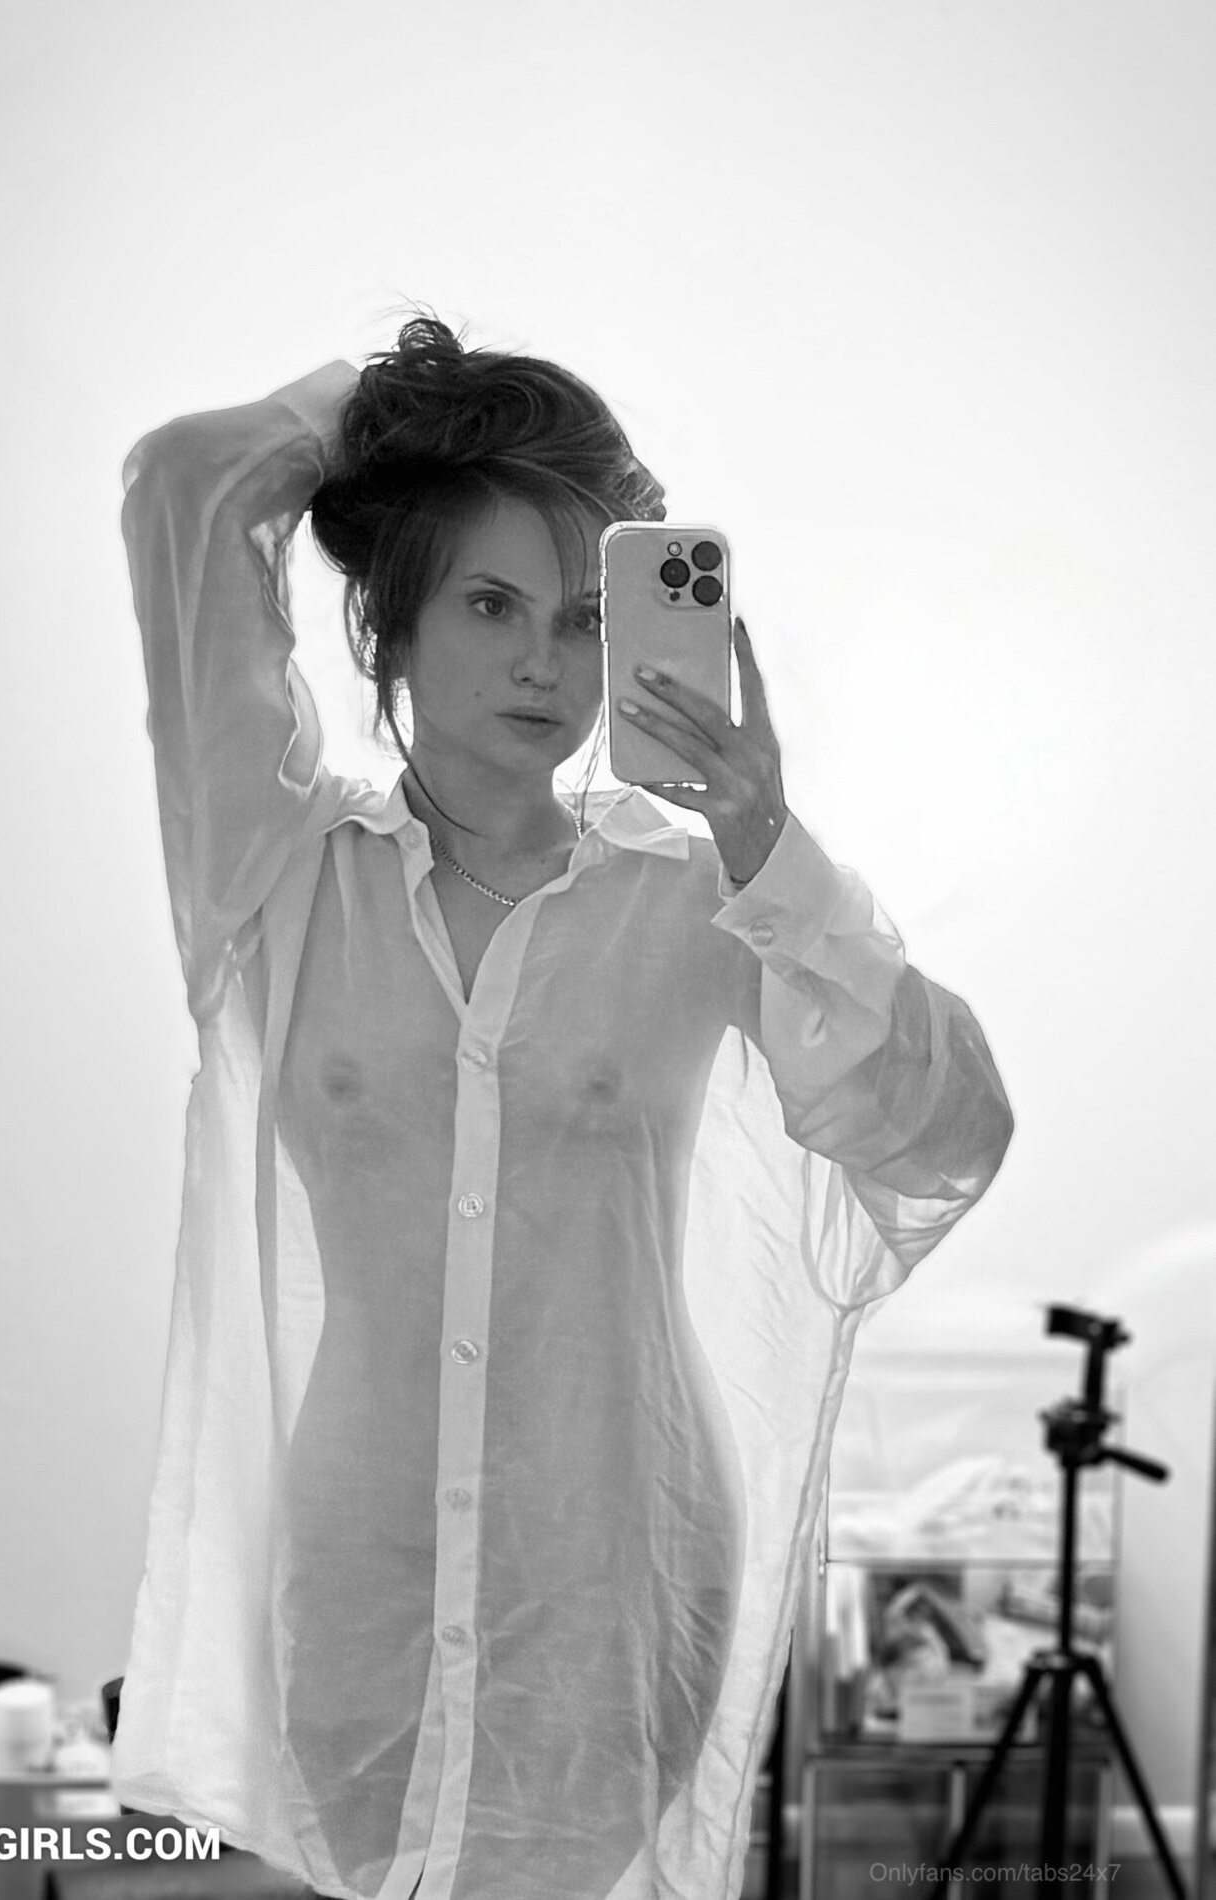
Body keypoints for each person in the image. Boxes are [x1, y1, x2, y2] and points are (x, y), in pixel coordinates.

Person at [112, 317, 1014, 1900]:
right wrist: (416, 409)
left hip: (621, 1549)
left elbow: (941, 1135)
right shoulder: (276, 878)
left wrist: (770, 850)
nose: (545, 659)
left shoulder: (698, 898)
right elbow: (188, 479)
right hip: (361, 1543)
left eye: (587, 618)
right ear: (389, 625)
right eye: (490, 603)